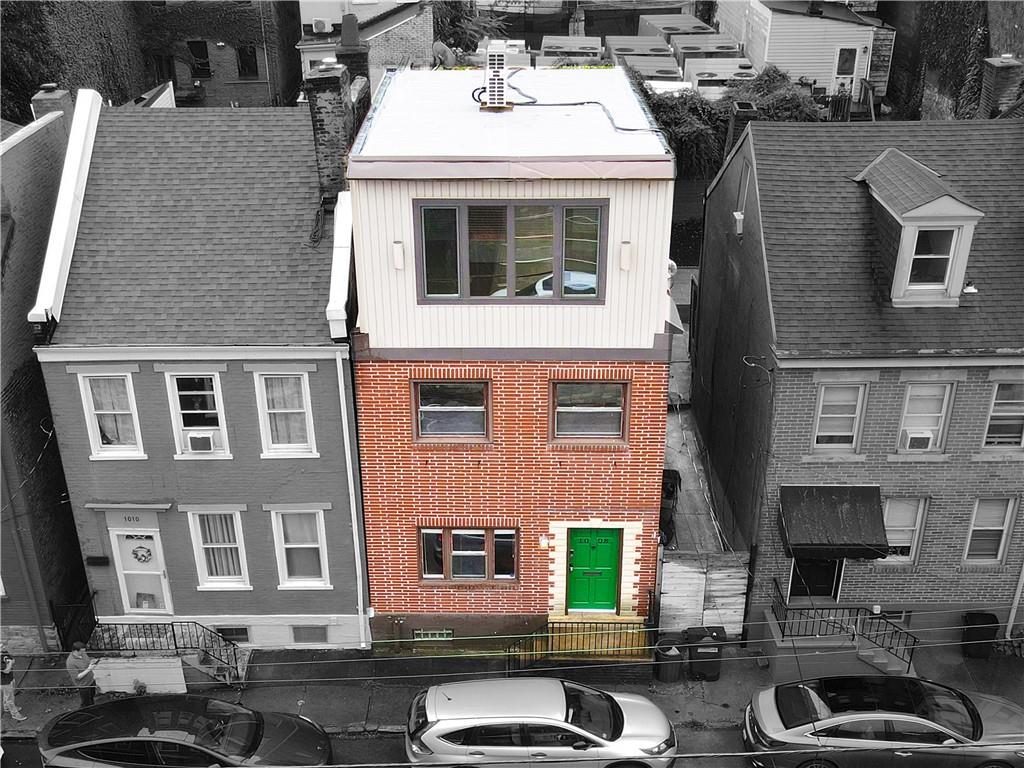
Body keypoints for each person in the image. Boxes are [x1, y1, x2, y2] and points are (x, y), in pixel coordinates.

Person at [65, 641, 98, 708]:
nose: (84, 653)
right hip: (84, 685)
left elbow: (87, 660)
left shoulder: (83, 654)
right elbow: (77, 677)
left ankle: (92, 707)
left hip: (91, 681)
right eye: (82, 651)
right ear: (75, 651)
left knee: (91, 697)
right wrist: (89, 669)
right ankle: (85, 713)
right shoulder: (70, 662)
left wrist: (92, 661)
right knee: (86, 703)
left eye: (84, 651)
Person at [1, 644, 28, 721]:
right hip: (4, 682)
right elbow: (6, 671)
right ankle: (15, 714)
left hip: (10, 678)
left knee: (9, 695)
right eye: (1, 647)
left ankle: (6, 707)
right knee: (10, 698)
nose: (4, 647)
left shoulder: (4, 652)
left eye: (3, 645)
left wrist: (10, 663)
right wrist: (9, 663)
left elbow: (13, 660)